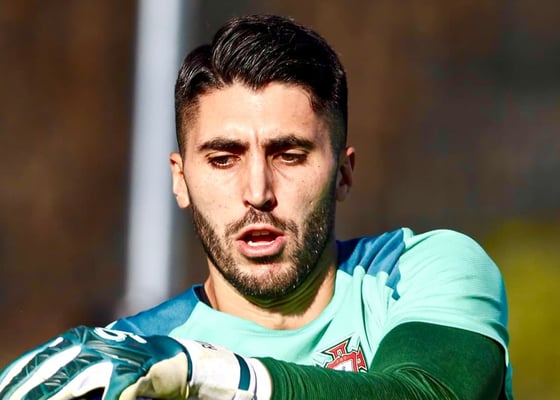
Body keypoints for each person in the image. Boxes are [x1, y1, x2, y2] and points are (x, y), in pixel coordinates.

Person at [0, 14, 512, 400]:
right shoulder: (131, 363)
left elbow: (429, 392)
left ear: (343, 173)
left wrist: (208, 374)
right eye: (223, 158)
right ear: (180, 179)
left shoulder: (420, 272)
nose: (258, 191)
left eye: (289, 154)